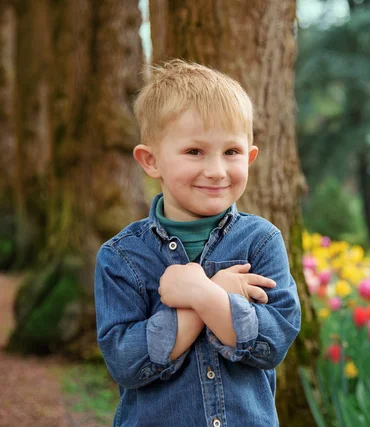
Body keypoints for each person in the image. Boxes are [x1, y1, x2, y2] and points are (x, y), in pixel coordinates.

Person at [94, 60, 301, 427]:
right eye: (195, 152)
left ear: (250, 157)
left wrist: (204, 295)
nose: (217, 170)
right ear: (151, 160)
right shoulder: (121, 257)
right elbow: (127, 363)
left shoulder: (261, 242)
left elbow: (274, 341)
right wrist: (213, 296)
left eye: (231, 152)